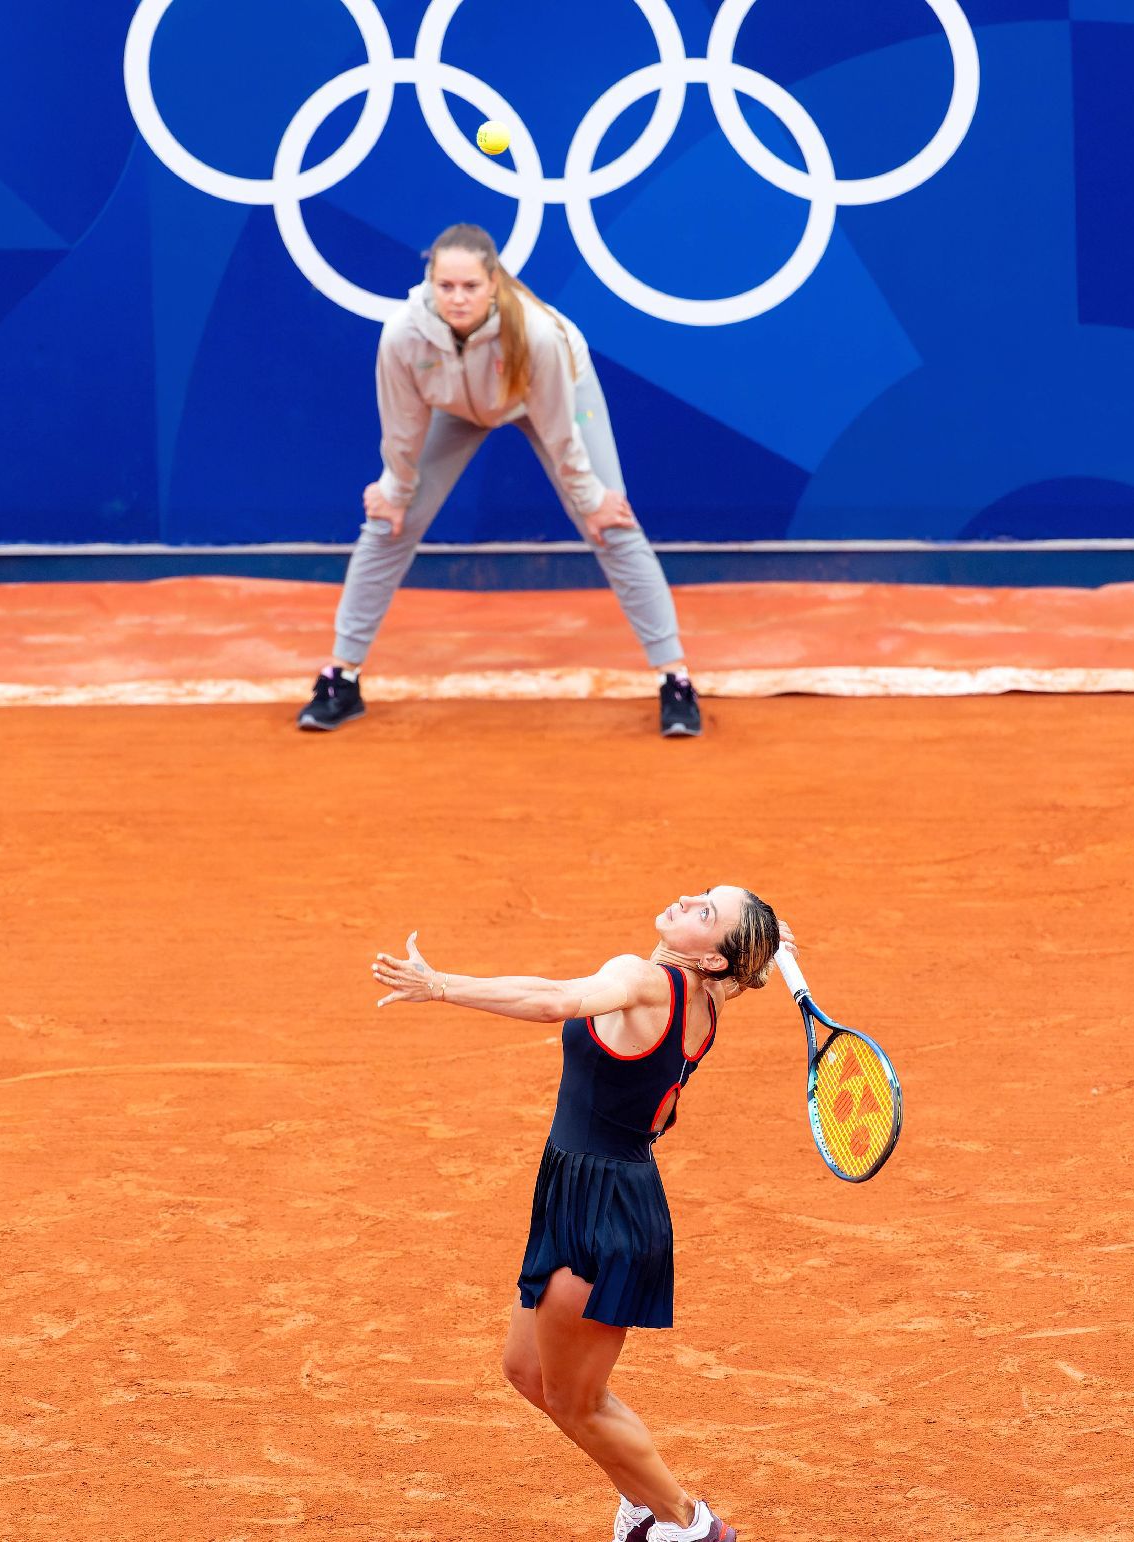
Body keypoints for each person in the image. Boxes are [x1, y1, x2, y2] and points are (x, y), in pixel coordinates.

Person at [372, 887, 795, 1542]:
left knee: (578, 1401)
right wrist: (756, 952)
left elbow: (551, 1002)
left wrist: (439, 984)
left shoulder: (642, 977)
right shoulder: (710, 997)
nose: (688, 900)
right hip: (593, 1193)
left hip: (603, 1213)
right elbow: (741, 970)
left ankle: (687, 1523)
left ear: (713, 959)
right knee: (528, 1371)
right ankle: (646, 1504)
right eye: (702, 895)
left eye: (706, 913)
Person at [298, 223, 702, 739]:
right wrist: (397, 492)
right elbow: (401, 430)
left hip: (548, 402)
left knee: (612, 521)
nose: (458, 298)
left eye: (470, 287)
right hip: (458, 407)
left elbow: (561, 436)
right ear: (430, 282)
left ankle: (676, 680)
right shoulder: (402, 334)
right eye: (446, 287)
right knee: (386, 523)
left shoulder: (535, 335)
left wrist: (590, 500)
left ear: (493, 283)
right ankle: (341, 679)